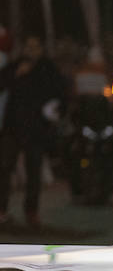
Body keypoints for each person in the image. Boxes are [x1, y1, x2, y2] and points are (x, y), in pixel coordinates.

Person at [0, 36, 67, 228]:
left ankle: (31, 213)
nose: (31, 50)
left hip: (36, 129)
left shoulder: (48, 69)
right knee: (4, 169)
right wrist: (16, 75)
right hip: (12, 128)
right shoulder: (16, 66)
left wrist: (56, 111)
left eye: (35, 46)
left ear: (41, 48)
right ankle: (2, 210)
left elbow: (62, 94)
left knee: (34, 173)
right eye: (28, 46)